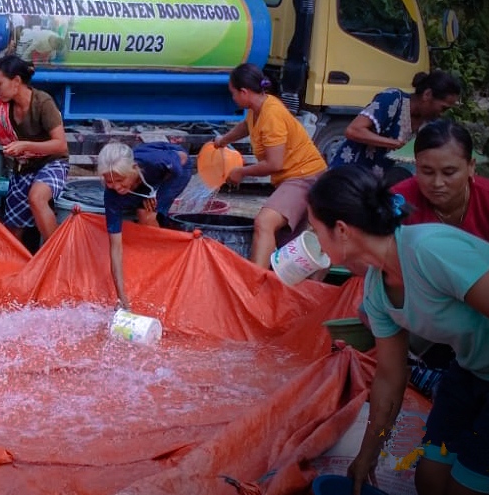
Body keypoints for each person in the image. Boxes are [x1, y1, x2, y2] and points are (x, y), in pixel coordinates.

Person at [306, 165, 489, 495]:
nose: (313, 242)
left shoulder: (429, 249)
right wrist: (366, 457)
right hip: (474, 370)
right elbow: (390, 376)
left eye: (315, 230)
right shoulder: (376, 287)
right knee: (430, 480)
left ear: (341, 229)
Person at [213, 63, 328, 268]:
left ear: (244, 92)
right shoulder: (258, 107)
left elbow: (275, 163)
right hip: (293, 178)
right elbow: (245, 126)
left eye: (233, 94)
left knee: (264, 222)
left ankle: (254, 282)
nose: (232, 98)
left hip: (304, 176)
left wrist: (241, 171)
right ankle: (274, 282)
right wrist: (223, 140)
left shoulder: (271, 114)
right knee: (289, 247)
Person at [391, 119, 489, 269]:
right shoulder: (398, 200)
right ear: (416, 166)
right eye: (427, 172)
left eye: (449, 172)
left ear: (471, 167)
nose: (437, 183)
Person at [0, 54, 68, 243]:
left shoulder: (42, 102)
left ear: (16, 81)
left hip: (51, 163)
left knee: (37, 198)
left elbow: (60, 145)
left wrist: (26, 145)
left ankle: (57, 257)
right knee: (13, 233)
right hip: (22, 170)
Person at [97, 141, 192, 310]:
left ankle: (162, 262)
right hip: (144, 180)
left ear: (133, 169)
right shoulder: (110, 195)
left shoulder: (154, 163)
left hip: (176, 170)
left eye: (120, 180)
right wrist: (121, 297)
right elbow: (115, 248)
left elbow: (183, 159)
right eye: (109, 182)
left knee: (146, 214)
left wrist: (156, 193)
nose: (116, 187)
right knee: (138, 207)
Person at [330, 70, 461, 178]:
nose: (442, 113)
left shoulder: (429, 124)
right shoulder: (393, 99)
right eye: (443, 108)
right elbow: (353, 131)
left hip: (378, 186)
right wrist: (394, 144)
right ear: (427, 95)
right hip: (350, 177)